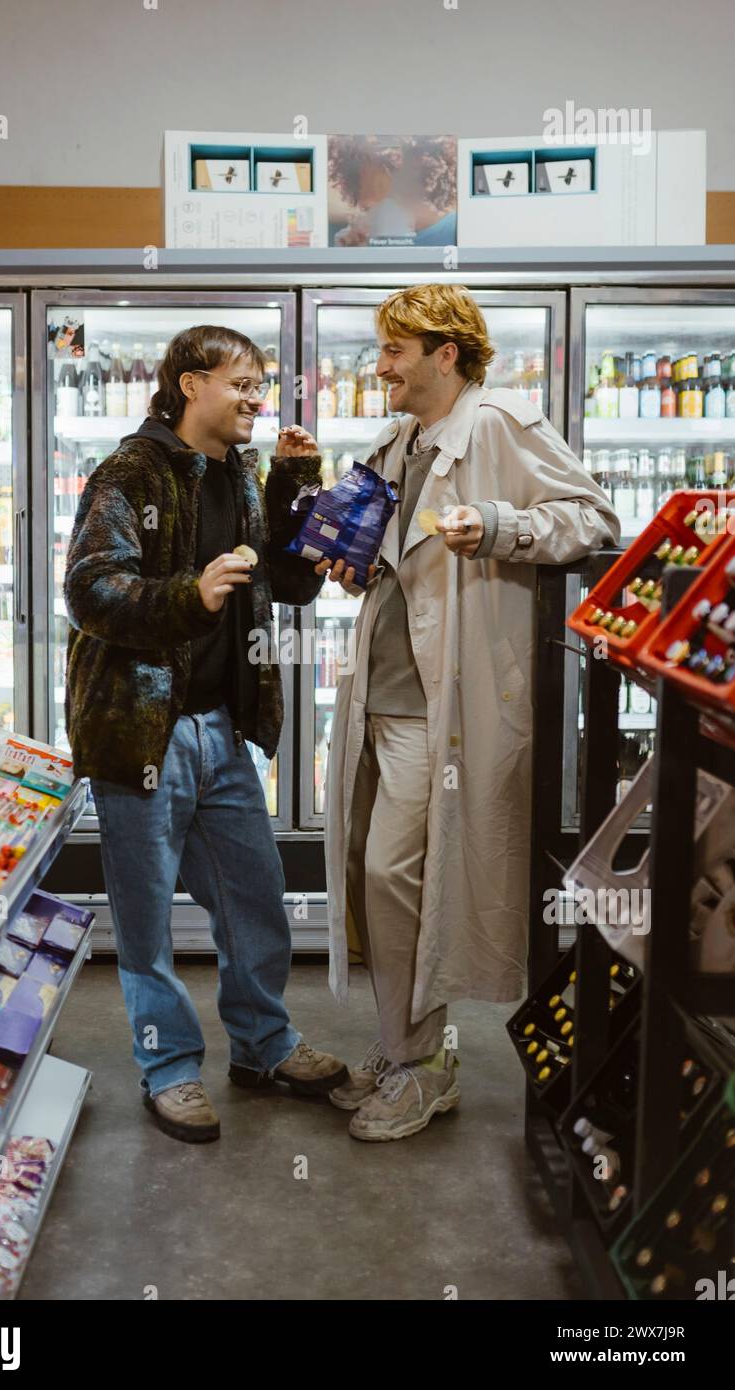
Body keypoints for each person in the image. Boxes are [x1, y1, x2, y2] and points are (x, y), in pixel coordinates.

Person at [318, 283, 619, 1142]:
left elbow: (594, 517)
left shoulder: (497, 424)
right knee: (371, 878)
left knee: (392, 876)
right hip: (380, 690)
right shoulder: (401, 437)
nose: (380, 367)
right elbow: (388, 554)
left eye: (394, 352)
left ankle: (425, 1065)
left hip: (440, 707)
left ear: (446, 354)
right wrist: (346, 554)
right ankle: (400, 1043)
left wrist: (497, 524)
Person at [63, 324, 347, 1144]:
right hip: (140, 735)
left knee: (257, 904)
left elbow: (291, 584)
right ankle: (169, 1068)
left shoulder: (246, 474)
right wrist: (192, 594)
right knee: (146, 925)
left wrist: (300, 481)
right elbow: (90, 590)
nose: (261, 397)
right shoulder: (131, 472)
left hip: (223, 731)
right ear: (192, 386)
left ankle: (262, 1046)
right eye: (245, 383)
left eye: (263, 385)